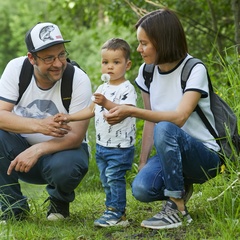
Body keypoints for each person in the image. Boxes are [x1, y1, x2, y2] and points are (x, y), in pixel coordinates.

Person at [104, 9, 222, 230]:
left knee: (166, 127)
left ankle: (176, 206)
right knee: (141, 188)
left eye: (144, 43)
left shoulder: (194, 69)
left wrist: (131, 111)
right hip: (171, 153)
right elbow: (151, 120)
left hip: (205, 156)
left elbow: (179, 117)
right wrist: (143, 162)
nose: (138, 49)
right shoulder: (147, 71)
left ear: (163, 42)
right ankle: (181, 186)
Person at [0, 22, 92, 222]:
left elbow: (76, 137)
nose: (58, 63)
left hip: (62, 155)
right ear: (31, 58)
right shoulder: (16, 69)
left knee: (68, 165)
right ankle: (13, 208)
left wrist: (38, 149)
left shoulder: (78, 80)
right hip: (19, 154)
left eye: (61, 54)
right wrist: (39, 125)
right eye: (49, 58)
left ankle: (59, 203)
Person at [54, 38, 137, 227]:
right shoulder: (102, 88)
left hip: (120, 146)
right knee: (106, 180)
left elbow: (125, 110)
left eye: (116, 62)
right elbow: (90, 111)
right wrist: (69, 117)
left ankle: (117, 213)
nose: (110, 67)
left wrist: (106, 103)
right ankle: (112, 210)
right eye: (105, 62)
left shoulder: (127, 88)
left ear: (128, 64)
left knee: (115, 178)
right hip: (103, 145)